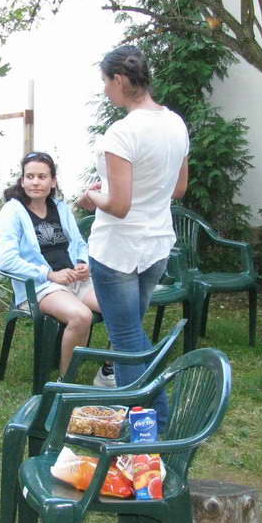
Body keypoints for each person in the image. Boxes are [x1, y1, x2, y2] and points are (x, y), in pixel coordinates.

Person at [77, 45, 190, 428]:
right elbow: (178, 189)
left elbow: (119, 205)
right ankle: (147, 418)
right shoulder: (175, 123)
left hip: (118, 250)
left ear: (120, 79)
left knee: (126, 340)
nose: (105, 89)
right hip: (156, 244)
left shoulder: (122, 132)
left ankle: (150, 422)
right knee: (132, 334)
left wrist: (92, 196)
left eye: (105, 82)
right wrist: (118, 191)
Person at [0, 152, 108, 381]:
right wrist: (49, 274)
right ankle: (66, 383)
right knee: (81, 316)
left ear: (53, 181)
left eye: (42, 177)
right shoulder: (12, 212)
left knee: (120, 306)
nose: (35, 182)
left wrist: (83, 263)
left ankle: (110, 369)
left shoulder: (60, 207)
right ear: (22, 181)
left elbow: (79, 244)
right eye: (30, 176)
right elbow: (6, 259)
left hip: (74, 279)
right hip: (40, 286)